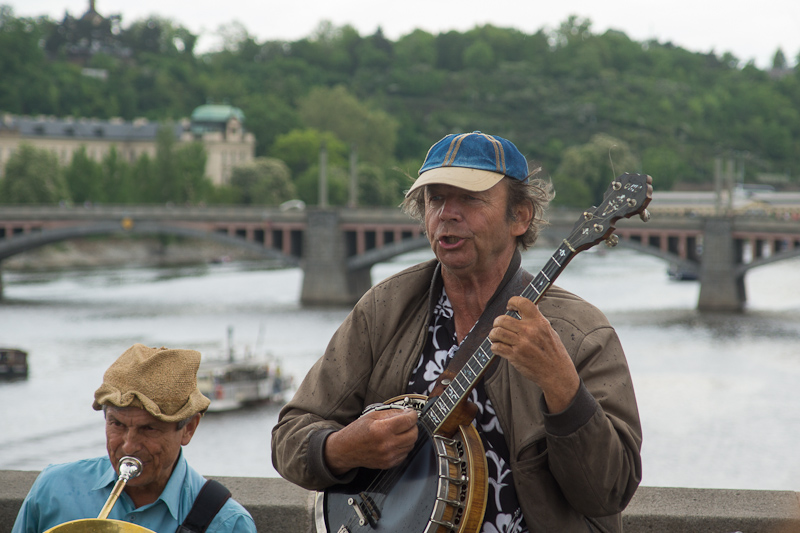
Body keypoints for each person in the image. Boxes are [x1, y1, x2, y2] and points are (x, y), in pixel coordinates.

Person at [272, 131, 643, 532]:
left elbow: (608, 491)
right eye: (435, 199)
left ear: (520, 216)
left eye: (469, 198)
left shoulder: (581, 333)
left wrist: (561, 384)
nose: (447, 213)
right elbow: (289, 436)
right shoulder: (384, 309)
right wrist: (341, 449)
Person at [13, 343, 257, 533]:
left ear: (189, 428)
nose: (128, 446)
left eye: (149, 429)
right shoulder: (53, 489)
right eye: (117, 424)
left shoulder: (227, 523)